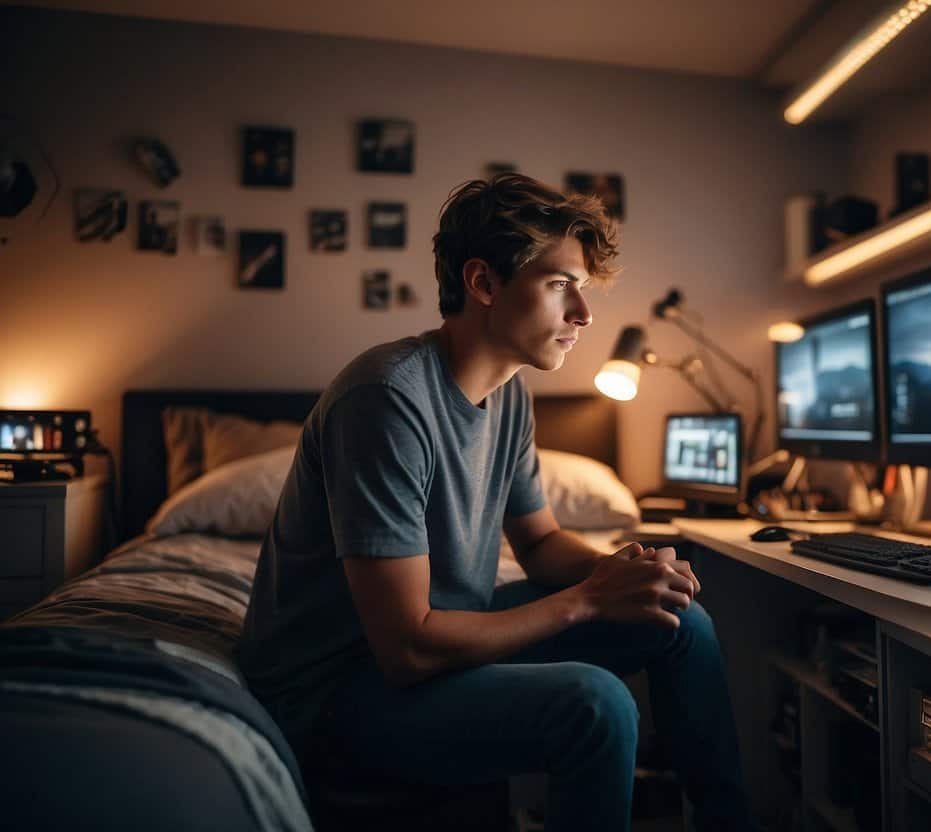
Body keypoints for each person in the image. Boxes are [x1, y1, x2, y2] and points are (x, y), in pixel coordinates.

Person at [236, 173, 752, 831]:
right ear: (483, 283)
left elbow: (537, 546)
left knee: (680, 620)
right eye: (560, 285)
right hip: (339, 686)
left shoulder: (509, 395)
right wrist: (587, 600)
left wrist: (618, 570)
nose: (584, 316)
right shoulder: (385, 400)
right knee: (595, 705)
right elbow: (405, 648)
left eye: (583, 290)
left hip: (445, 635)